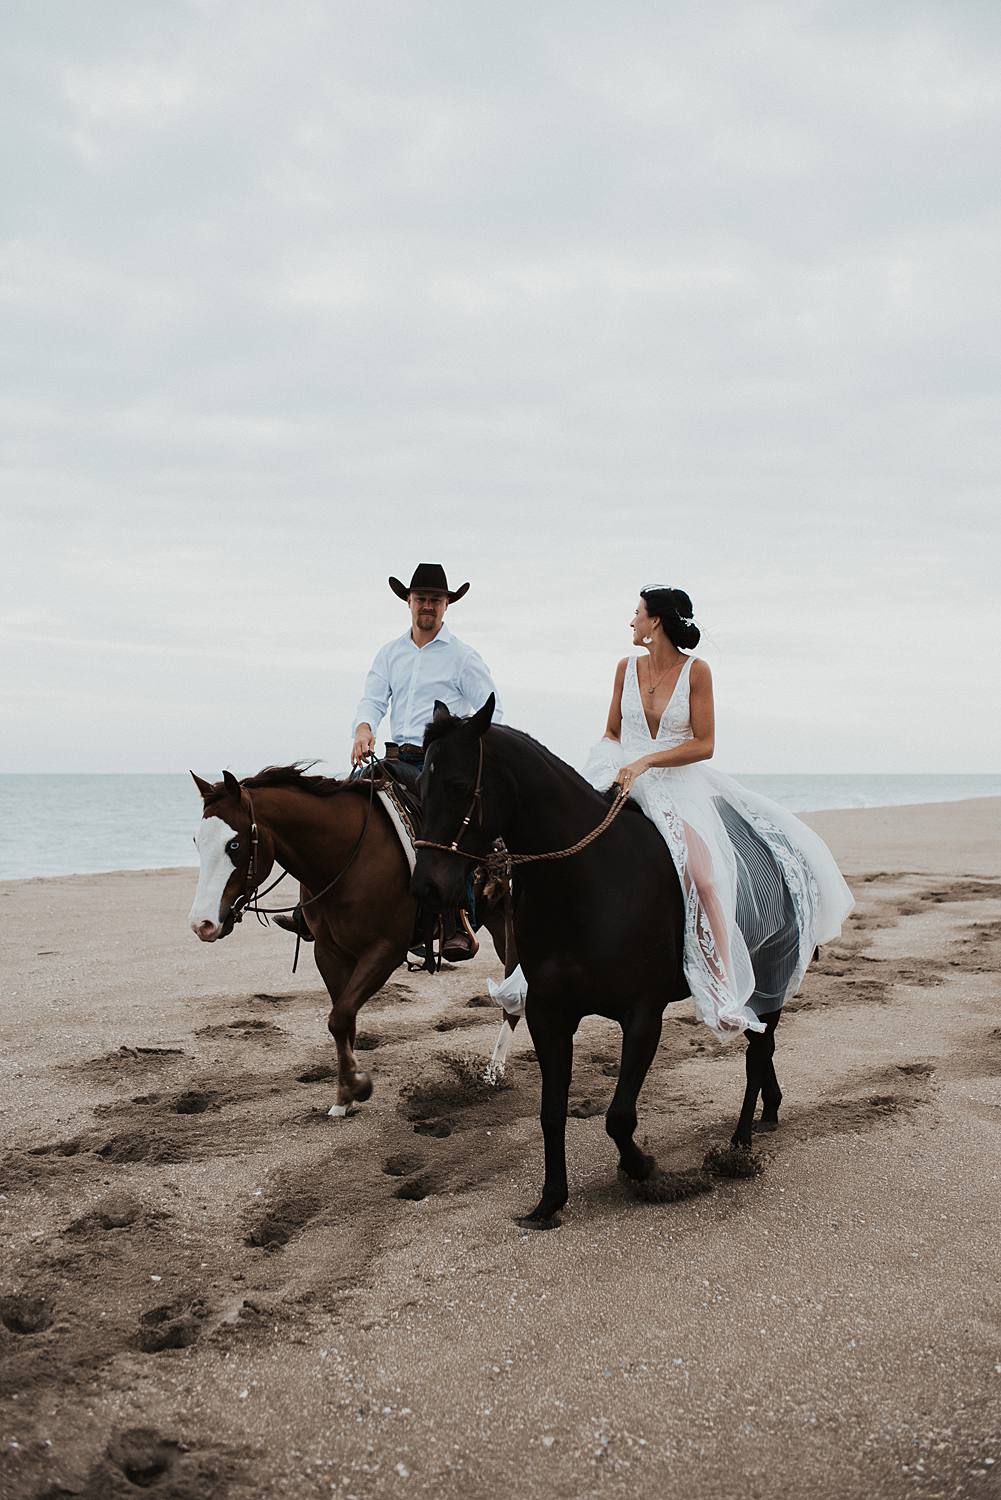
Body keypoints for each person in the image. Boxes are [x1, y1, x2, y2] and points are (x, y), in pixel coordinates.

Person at [581, 585, 854, 1036]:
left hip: (678, 786)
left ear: (657, 623)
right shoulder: (624, 668)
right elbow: (612, 731)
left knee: (704, 876)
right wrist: (609, 768)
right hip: (620, 774)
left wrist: (646, 760)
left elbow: (703, 744)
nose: (631, 622)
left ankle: (725, 989)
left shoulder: (697, 672)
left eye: (637, 613)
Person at [276, 563, 502, 961]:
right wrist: (363, 729)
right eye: (420, 599)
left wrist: (458, 745)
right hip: (394, 758)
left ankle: (454, 918)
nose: (427, 606)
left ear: (446, 605)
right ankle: (310, 908)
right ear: (409, 603)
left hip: (437, 764)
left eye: (434, 599)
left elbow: (492, 714)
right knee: (338, 812)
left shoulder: (463, 657)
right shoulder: (390, 653)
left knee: (444, 830)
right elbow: (372, 700)